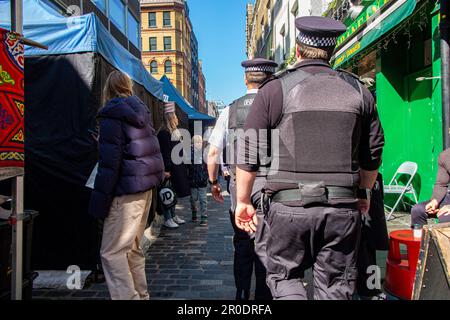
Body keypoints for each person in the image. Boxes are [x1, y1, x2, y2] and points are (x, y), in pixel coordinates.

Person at [235, 16, 385, 300]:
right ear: (333, 51)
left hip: (288, 210)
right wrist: (363, 192)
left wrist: (243, 200)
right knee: (335, 287)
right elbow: (373, 150)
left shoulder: (275, 89)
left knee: (286, 279)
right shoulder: (358, 90)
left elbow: (249, 149)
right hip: (342, 209)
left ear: (299, 49)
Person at [89, 70, 164, 300]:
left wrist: (99, 204)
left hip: (126, 192)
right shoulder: (141, 111)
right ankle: (141, 296)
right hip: (145, 190)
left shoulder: (112, 115)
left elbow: (110, 165)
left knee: (112, 252)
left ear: (107, 90)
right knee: (133, 251)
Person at [207, 58, 277, 300]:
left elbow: (213, 152)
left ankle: (241, 291)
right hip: (272, 184)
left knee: (242, 240)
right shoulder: (278, 105)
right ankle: (264, 296)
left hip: (239, 185)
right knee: (267, 242)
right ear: (270, 78)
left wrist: (214, 183)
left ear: (245, 79)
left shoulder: (230, 110)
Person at [157, 103, 190, 229]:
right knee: (167, 193)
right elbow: (165, 153)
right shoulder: (164, 133)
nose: (176, 118)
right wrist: (166, 169)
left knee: (173, 193)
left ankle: (173, 215)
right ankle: (168, 217)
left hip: (177, 167)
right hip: (170, 169)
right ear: (171, 117)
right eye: (174, 115)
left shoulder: (174, 132)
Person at [411, 148, 450, 226]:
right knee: (417, 210)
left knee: (445, 217)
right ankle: (422, 237)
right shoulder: (445, 155)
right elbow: (441, 184)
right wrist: (435, 201)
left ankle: (443, 238)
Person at [188, 135, 209, 225]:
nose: (199, 144)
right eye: (197, 142)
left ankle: (204, 217)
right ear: (193, 143)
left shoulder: (204, 152)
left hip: (202, 180)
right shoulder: (189, 153)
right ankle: (194, 213)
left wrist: (207, 176)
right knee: (193, 199)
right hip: (192, 180)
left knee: (203, 199)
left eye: (200, 142)